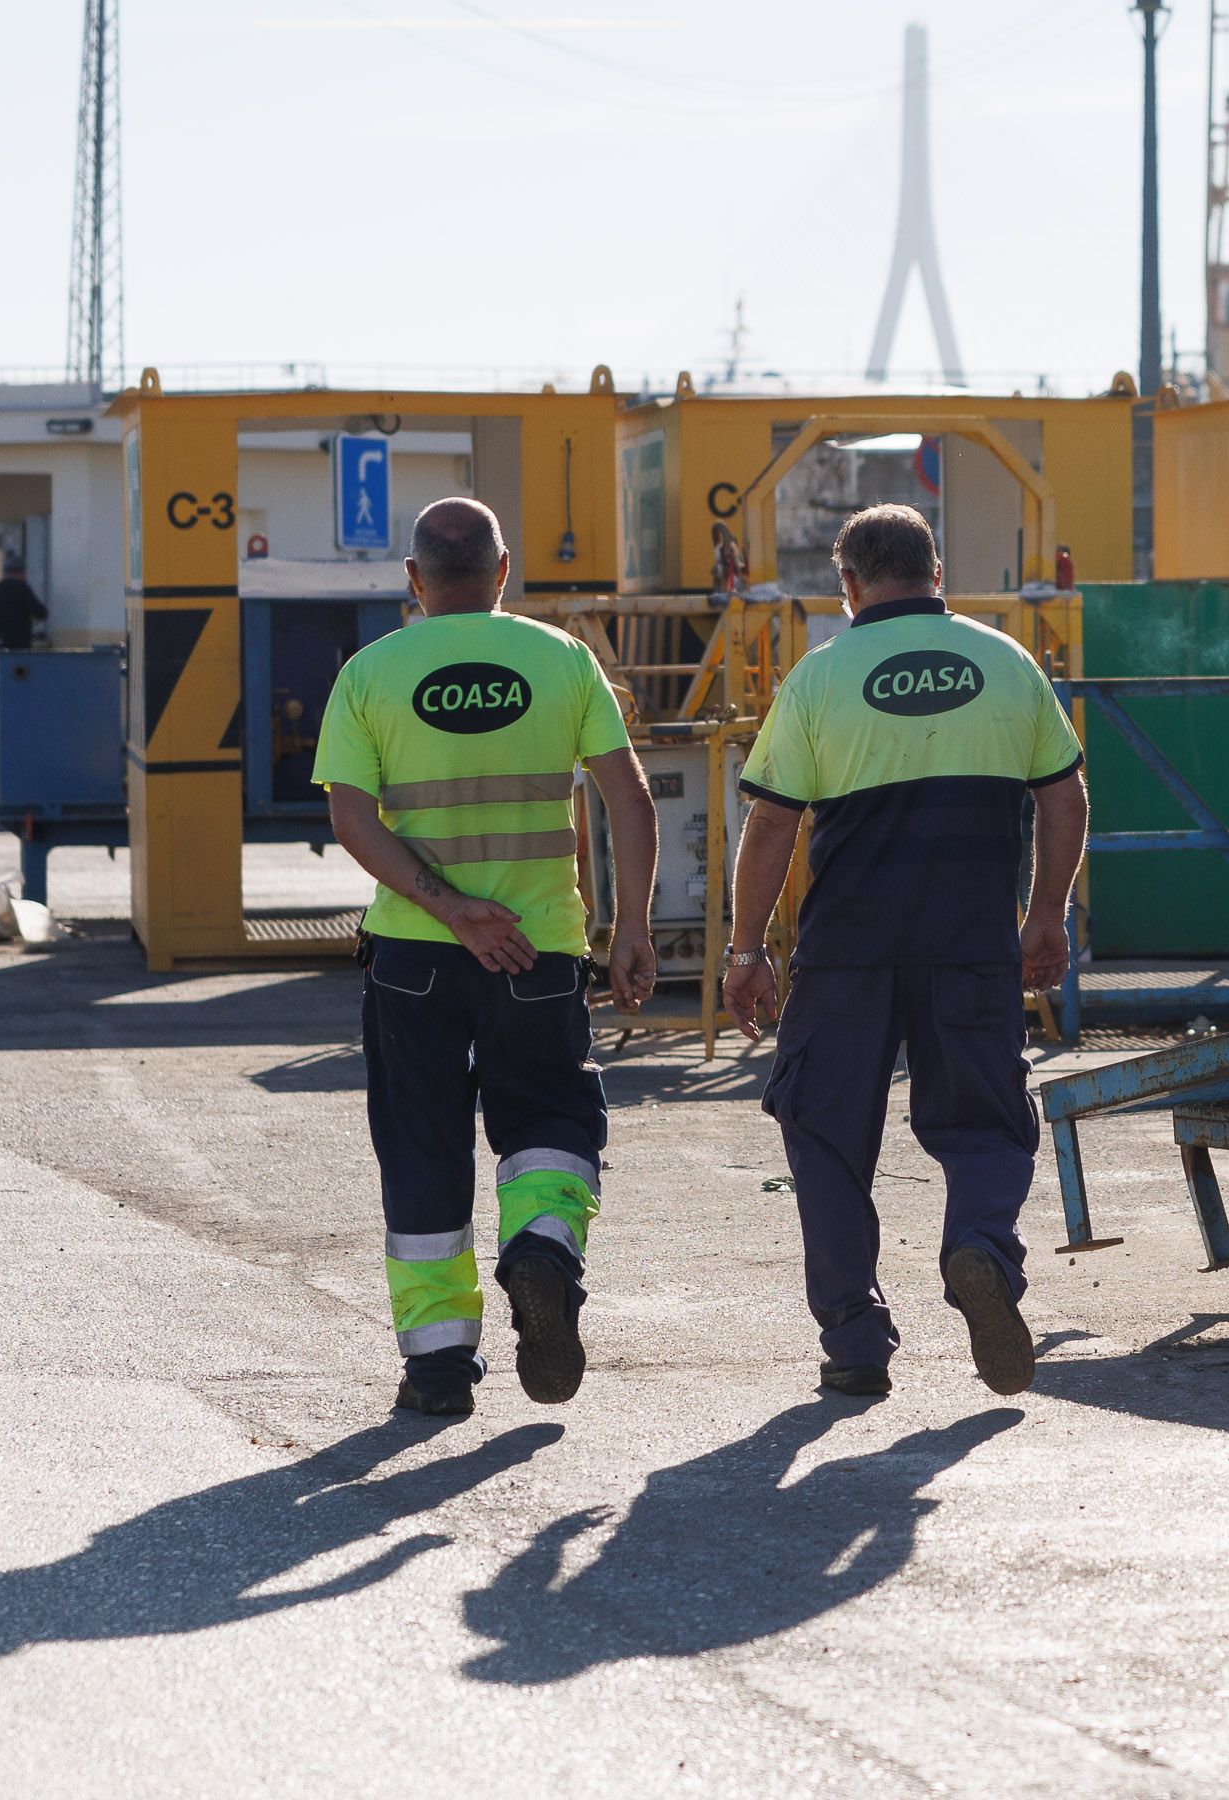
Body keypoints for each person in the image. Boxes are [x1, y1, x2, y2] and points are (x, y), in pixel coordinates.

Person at [720, 503, 1087, 1400]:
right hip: (971, 943)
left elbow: (771, 823)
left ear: (849, 584)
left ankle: (855, 1339)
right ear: (936, 572)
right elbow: (1064, 794)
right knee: (987, 1122)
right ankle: (980, 1245)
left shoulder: (819, 676)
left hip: (848, 952)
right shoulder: (1007, 661)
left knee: (826, 1131)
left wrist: (745, 951)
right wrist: (1047, 914)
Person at [313, 497, 660, 1418]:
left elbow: (351, 819)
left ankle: (438, 1369)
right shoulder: (564, 659)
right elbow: (630, 800)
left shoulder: (370, 672)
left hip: (414, 959)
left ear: (414, 579)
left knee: (421, 1144)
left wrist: (452, 910)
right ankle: (541, 1248)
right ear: (504, 571)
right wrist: (631, 928)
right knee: (549, 1113)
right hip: (538, 952)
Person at [0, 553, 48, 651]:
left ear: (4, 573)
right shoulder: (22, 589)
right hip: (18, 647)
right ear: (22, 572)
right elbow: (41, 612)